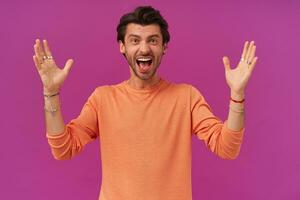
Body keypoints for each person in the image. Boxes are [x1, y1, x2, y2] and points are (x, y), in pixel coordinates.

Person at [33, 6, 258, 200]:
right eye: (134, 40)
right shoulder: (103, 99)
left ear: (164, 47)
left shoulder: (186, 97)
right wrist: (50, 93)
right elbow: (63, 149)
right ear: (122, 46)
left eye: (153, 40)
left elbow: (227, 148)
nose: (144, 48)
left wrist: (237, 94)